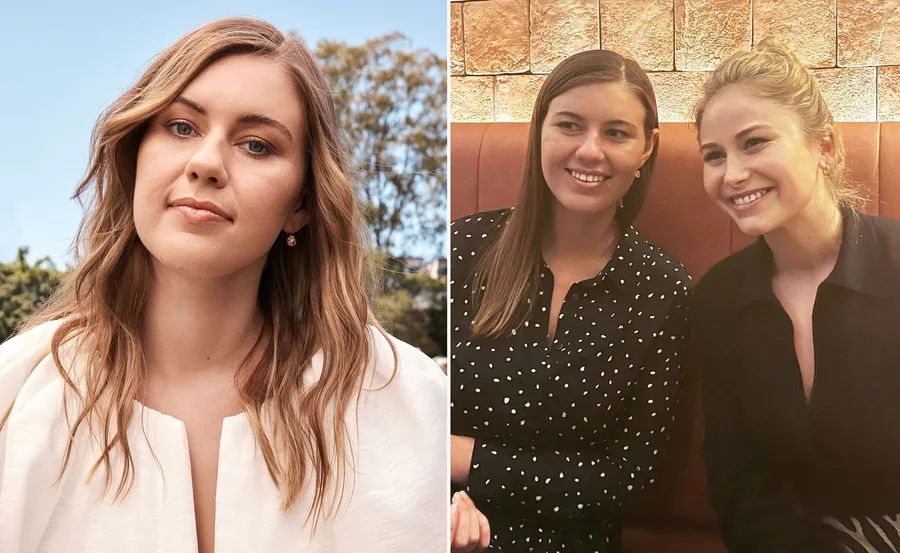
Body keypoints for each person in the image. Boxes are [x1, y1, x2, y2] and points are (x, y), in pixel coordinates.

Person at [0, 18, 446, 553]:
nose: (206, 164)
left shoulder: (398, 397)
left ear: (301, 204)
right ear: (135, 156)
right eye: (181, 127)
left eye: (256, 145)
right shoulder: (17, 396)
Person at [449, 49, 692, 553]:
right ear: (540, 130)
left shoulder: (664, 288)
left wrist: (466, 461)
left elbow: (631, 474)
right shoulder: (464, 248)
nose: (590, 151)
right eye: (569, 125)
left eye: (616, 133)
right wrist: (444, 505)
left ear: (647, 148)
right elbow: (397, 419)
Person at [692, 37, 900, 553]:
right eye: (714, 155)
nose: (732, 173)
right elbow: (736, 480)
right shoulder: (718, 299)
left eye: (754, 142)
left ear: (823, 147)